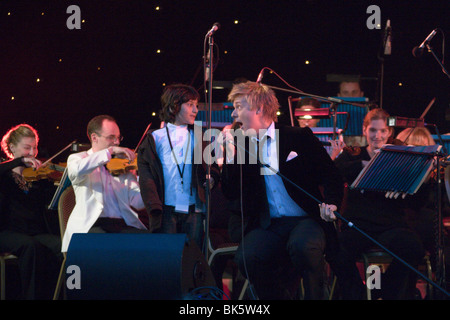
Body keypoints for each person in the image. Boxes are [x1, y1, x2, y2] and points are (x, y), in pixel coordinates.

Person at [220, 81, 344, 300]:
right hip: (269, 224)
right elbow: (230, 192)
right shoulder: (242, 144)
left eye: (239, 107)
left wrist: (332, 203)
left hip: (305, 219)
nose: (234, 114)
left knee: (304, 247)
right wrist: (231, 154)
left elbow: (330, 174)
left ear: (258, 108)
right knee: (247, 257)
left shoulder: (298, 137)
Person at [328, 108, 425, 299]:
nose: (377, 136)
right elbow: (335, 171)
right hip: (358, 225)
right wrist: (365, 165)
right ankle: (358, 295)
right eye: (373, 130)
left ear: (389, 132)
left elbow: (415, 199)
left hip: (391, 226)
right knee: (335, 250)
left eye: (382, 131)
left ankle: (385, 292)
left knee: (414, 248)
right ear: (365, 130)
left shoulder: (399, 159)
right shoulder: (353, 157)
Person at [137, 84, 220, 250]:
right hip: (166, 209)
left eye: (196, 105)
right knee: (167, 257)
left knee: (193, 256)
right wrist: (154, 207)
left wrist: (212, 178)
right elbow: (147, 177)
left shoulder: (200, 135)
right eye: (190, 105)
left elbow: (213, 166)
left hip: (194, 209)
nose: (195, 110)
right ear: (174, 105)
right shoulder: (155, 138)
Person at [61, 115, 148, 252]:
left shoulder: (122, 165)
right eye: (111, 137)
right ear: (94, 137)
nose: (117, 142)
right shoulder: (78, 159)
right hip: (91, 226)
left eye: (118, 138)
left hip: (121, 224)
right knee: (110, 246)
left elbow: (137, 202)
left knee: (150, 243)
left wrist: (148, 182)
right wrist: (110, 151)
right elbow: (76, 171)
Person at [0, 124, 62, 299]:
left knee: (62, 246)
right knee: (30, 246)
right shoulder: (3, 173)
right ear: (12, 148)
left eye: (34, 148)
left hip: (33, 232)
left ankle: (58, 294)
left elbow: (48, 203)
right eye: (27, 148)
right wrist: (19, 161)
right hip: (6, 232)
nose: (32, 153)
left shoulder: (37, 177)